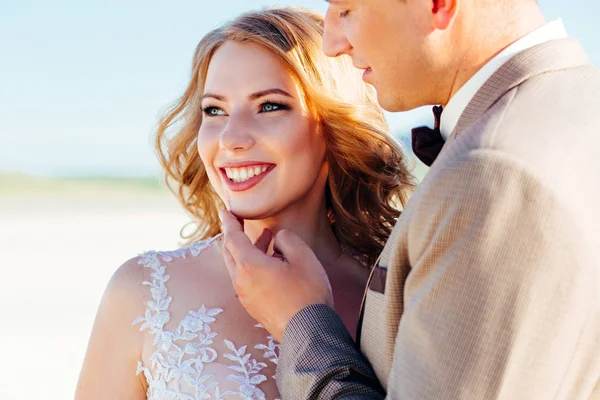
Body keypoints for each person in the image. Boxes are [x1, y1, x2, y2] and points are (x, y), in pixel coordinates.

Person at [220, 0, 600, 398]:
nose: (331, 43)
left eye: (346, 9)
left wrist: (302, 322)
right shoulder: (579, 104)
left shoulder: (491, 174)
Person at [75, 7, 415, 399]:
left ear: (335, 125)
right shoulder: (143, 292)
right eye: (214, 110)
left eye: (270, 106)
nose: (231, 138)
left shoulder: (398, 293)